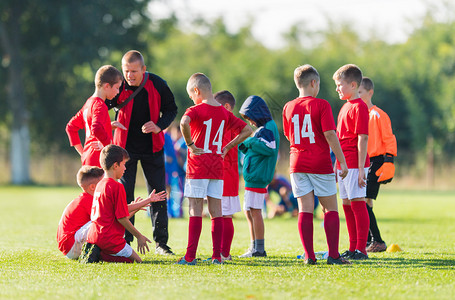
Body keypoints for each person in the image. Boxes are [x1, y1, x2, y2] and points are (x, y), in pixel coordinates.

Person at [105, 50, 178, 255]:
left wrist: (159, 125)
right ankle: (125, 242)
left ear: (143, 70)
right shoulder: (117, 85)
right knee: (124, 197)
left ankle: (161, 244)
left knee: (158, 194)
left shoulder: (157, 83)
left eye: (134, 71)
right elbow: (102, 105)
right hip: (123, 152)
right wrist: (107, 124)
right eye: (126, 71)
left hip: (153, 148)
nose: (130, 76)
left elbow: (172, 109)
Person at [177, 73, 252, 265]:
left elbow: (183, 122)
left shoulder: (195, 109)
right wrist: (227, 147)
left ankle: (190, 256)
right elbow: (247, 130)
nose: (192, 99)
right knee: (216, 211)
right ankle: (217, 256)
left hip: (198, 165)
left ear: (196, 91)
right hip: (217, 168)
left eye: (191, 95)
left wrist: (190, 144)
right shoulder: (224, 112)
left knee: (195, 209)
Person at [282, 64, 350, 265]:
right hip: (319, 161)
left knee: (304, 209)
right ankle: (333, 255)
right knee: (330, 209)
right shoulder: (321, 105)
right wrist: (342, 161)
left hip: (297, 161)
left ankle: (309, 256)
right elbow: (330, 134)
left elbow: (288, 134)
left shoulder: (288, 106)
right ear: (314, 83)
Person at [82, 144, 167, 263]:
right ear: (115, 166)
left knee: (132, 259)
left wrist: (144, 202)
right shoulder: (116, 186)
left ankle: (100, 253)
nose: (125, 168)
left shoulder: (100, 185)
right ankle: (103, 255)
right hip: (110, 240)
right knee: (138, 261)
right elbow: (121, 218)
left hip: (95, 236)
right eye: (124, 164)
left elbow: (116, 214)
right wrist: (139, 236)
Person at [333, 64, 370, 260]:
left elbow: (362, 138)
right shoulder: (345, 107)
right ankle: (353, 246)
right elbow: (339, 138)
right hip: (344, 164)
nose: (337, 89)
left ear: (353, 85)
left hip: (356, 164)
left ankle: (361, 250)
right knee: (346, 204)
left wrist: (363, 169)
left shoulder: (360, 107)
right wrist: (337, 163)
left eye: (340, 85)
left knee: (357, 203)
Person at [359, 77, 397, 252]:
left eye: (360, 92)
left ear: (370, 92)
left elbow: (389, 138)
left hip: (377, 160)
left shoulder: (378, 114)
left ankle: (378, 241)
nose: (358, 96)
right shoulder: (359, 114)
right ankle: (367, 241)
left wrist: (389, 161)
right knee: (366, 201)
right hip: (363, 162)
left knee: (363, 201)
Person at [238, 95, 279, 258]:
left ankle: (259, 248)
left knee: (255, 211)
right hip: (253, 177)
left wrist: (249, 142)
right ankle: (254, 246)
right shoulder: (264, 128)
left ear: (257, 113)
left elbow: (269, 147)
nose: (250, 122)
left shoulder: (267, 127)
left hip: (258, 177)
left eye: (250, 118)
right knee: (249, 211)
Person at [66, 65, 124, 167]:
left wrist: (83, 153)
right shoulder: (100, 105)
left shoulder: (89, 103)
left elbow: (71, 127)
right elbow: (96, 128)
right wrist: (109, 145)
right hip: (99, 161)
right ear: (107, 86)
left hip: (88, 159)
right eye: (117, 88)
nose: (118, 92)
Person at [214, 90, 242, 261]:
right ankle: (224, 252)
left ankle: (224, 252)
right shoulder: (229, 123)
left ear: (226, 107)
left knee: (224, 215)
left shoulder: (227, 123)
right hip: (228, 174)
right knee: (225, 214)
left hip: (224, 174)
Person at [57, 166, 105, 259]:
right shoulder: (88, 200)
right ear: (92, 187)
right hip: (72, 247)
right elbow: (111, 218)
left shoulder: (84, 198)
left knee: (104, 219)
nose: (105, 185)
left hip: (69, 247)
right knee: (103, 220)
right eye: (102, 182)